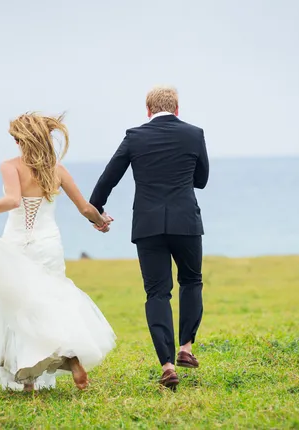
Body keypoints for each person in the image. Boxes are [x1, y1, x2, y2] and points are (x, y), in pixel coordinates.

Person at [0, 113, 115, 392]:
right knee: (53, 302)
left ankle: (27, 381)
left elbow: (13, 200)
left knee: (17, 307)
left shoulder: (10, 166)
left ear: (21, 139)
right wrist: (101, 221)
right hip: (49, 243)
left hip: (16, 244)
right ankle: (73, 359)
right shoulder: (58, 170)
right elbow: (86, 208)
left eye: (15, 137)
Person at [89, 86, 209, 389]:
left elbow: (108, 177)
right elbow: (202, 180)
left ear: (148, 110)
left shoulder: (134, 136)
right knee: (191, 281)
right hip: (185, 221)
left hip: (148, 224)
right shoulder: (195, 134)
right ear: (177, 109)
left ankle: (167, 365)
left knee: (157, 293)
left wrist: (96, 212)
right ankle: (186, 348)